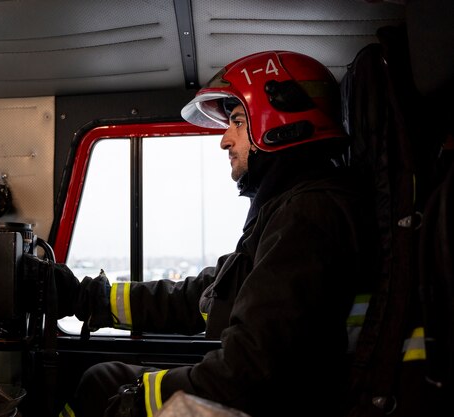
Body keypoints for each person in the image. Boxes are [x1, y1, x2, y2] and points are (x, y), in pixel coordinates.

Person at [54, 50, 378, 417]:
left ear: (280, 120)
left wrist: (138, 401)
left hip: (282, 403)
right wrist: (85, 297)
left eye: (237, 122)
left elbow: (251, 368)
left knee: (104, 390)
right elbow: (205, 298)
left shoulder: (310, 214)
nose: (225, 140)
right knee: (103, 379)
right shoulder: (288, 209)